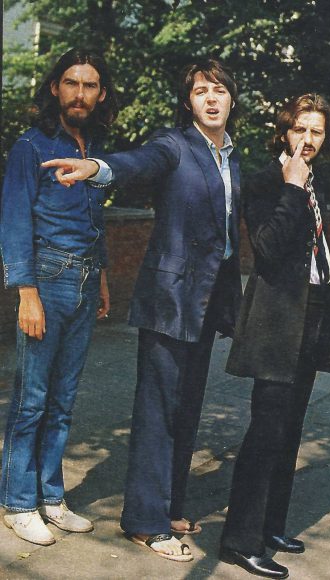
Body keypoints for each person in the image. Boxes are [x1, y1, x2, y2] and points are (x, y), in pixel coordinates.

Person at [43, 59, 242, 561]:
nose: (211, 99)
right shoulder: (175, 145)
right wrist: (97, 168)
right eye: (200, 92)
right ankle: (146, 522)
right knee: (158, 413)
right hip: (169, 301)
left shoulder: (231, 157)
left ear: (231, 100)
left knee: (187, 409)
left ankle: (168, 506)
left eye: (219, 90)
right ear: (188, 102)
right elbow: (139, 162)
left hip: (203, 304)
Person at [219, 94, 330, 579]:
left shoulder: (319, 183)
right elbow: (268, 250)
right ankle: (240, 540)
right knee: (266, 432)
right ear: (284, 131)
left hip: (312, 314)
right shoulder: (266, 181)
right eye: (300, 130)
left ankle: (270, 526)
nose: (308, 140)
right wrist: (292, 190)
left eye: (316, 131)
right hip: (277, 320)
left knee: (291, 430)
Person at [0, 48, 118, 546]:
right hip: (46, 280)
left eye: (89, 85)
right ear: (55, 88)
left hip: (87, 280)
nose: (79, 93)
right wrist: (27, 293)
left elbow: (93, 220)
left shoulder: (91, 146)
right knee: (31, 399)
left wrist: (104, 278)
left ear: (101, 94)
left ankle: (51, 496)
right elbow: (14, 220)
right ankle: (17, 501)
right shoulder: (31, 146)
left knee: (64, 401)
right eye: (71, 83)